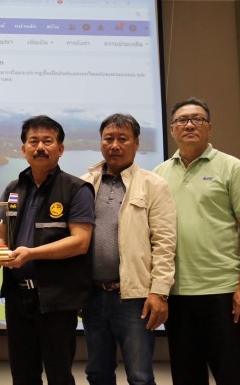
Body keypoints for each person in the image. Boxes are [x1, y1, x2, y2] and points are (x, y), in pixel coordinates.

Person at [153, 98, 240, 385]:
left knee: (232, 376)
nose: (189, 124)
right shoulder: (159, 175)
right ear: (172, 129)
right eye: (182, 120)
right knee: (186, 377)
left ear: (209, 127)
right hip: (177, 293)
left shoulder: (233, 168)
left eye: (197, 119)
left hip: (223, 292)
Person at [0, 115, 95, 385]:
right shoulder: (13, 189)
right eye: (33, 141)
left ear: (61, 148)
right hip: (17, 297)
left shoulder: (77, 189)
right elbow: (1, 237)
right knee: (23, 375)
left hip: (56, 298)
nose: (40, 147)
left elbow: (80, 242)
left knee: (59, 375)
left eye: (48, 141)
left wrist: (31, 253)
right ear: (23, 149)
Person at [80, 113, 177, 385]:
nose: (114, 145)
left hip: (135, 297)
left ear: (136, 143)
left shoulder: (153, 185)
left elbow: (165, 243)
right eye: (108, 138)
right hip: (93, 295)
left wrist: (159, 292)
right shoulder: (84, 183)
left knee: (140, 376)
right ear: (101, 142)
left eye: (122, 139)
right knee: (97, 373)